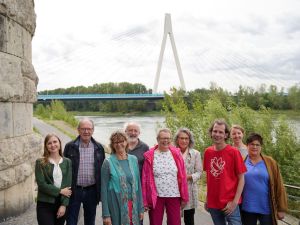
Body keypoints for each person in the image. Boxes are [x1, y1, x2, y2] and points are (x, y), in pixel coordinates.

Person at [203, 119, 247, 225]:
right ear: (211, 133)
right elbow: (209, 178)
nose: (217, 134)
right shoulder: (208, 152)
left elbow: (242, 178)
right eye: (215, 131)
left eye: (221, 132)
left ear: (226, 135)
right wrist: (206, 198)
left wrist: (235, 202)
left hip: (230, 203)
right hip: (213, 203)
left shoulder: (234, 152)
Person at [142, 128, 189, 225]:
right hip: (156, 196)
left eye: (168, 138)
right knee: (155, 222)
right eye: (163, 138)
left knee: (175, 222)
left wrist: (184, 196)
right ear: (157, 139)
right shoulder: (150, 155)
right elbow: (145, 179)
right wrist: (145, 200)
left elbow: (183, 176)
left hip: (174, 195)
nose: (166, 141)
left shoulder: (176, 153)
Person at [64, 118, 105, 225]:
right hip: (74, 190)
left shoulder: (99, 148)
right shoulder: (70, 146)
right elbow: (64, 170)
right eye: (83, 129)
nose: (86, 132)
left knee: (90, 221)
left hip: (92, 190)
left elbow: (101, 171)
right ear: (78, 130)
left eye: (89, 129)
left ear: (93, 130)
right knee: (71, 221)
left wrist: (100, 192)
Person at [241, 133, 288, 225]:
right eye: (252, 144)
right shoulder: (242, 161)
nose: (254, 147)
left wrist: (281, 208)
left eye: (257, 144)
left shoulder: (270, 162)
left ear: (261, 147)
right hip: (247, 208)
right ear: (247, 146)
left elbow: (279, 185)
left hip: (266, 208)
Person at [101, 131, 144, 225]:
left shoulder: (133, 159)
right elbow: (103, 189)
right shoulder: (108, 162)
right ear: (112, 145)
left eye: (121, 141)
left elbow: (138, 186)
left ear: (126, 142)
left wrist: (141, 208)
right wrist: (106, 214)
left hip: (134, 205)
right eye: (115, 142)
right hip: (116, 204)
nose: (119, 144)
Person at [35, 134, 72, 225]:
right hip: (44, 203)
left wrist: (64, 205)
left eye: (55, 142)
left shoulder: (67, 162)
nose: (53, 145)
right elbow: (42, 184)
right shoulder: (40, 162)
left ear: (59, 143)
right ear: (46, 146)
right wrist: (60, 191)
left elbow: (68, 186)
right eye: (49, 143)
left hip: (61, 203)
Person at [174, 128, 202, 225]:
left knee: (189, 220)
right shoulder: (171, 152)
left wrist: (188, 177)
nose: (184, 141)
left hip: (189, 190)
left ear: (190, 140)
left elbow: (199, 173)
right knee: (173, 219)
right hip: (174, 191)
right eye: (181, 138)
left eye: (186, 138)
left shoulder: (196, 154)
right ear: (177, 139)